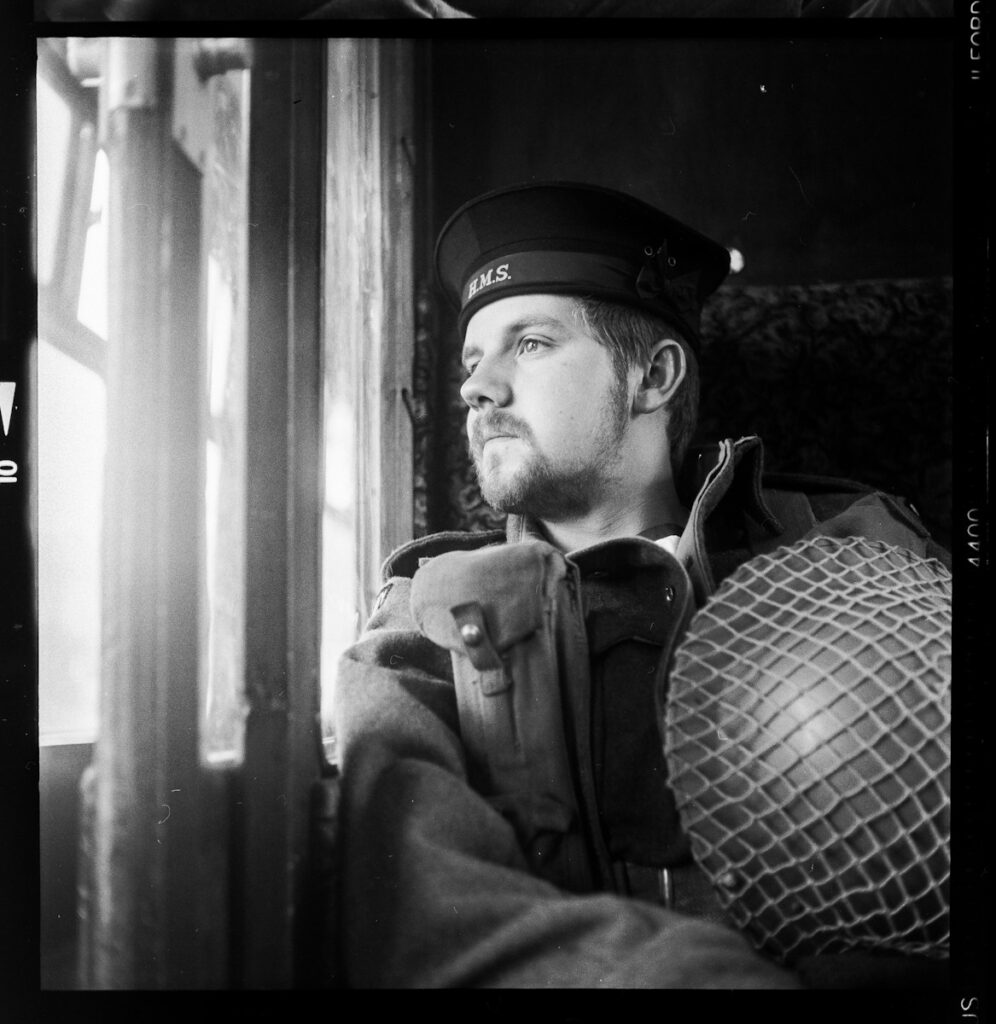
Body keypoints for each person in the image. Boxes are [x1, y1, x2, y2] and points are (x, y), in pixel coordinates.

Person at [331, 181, 950, 988]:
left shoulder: (852, 547)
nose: (475, 389)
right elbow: (417, 900)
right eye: (472, 360)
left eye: (531, 344)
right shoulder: (428, 612)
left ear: (653, 376)